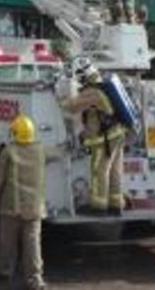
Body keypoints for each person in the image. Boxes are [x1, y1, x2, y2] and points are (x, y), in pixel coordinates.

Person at [0, 115, 51, 290]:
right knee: (32, 244)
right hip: (34, 208)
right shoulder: (40, 150)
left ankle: (5, 270)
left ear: (15, 133)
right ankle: (35, 280)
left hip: (10, 207)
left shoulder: (9, 151)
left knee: (8, 241)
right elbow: (57, 153)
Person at [60, 62, 127, 216]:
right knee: (115, 171)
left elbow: (71, 106)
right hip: (117, 133)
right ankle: (116, 205)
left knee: (99, 170)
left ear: (83, 77)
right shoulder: (103, 87)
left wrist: (60, 97)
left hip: (104, 138)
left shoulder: (92, 92)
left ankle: (99, 206)